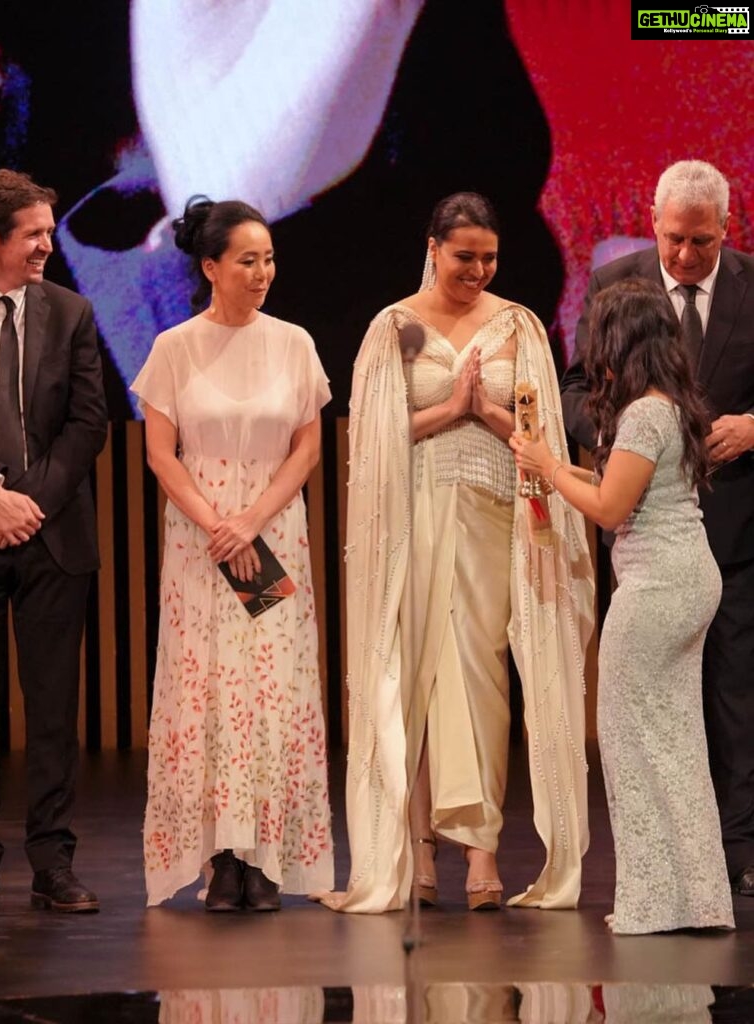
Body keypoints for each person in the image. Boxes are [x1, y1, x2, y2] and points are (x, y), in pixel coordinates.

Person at [316, 192, 594, 913]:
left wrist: (487, 412)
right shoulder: (397, 328)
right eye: (463, 255)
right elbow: (373, 436)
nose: (476, 268)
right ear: (433, 247)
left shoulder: (517, 327)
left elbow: (541, 434)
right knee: (414, 674)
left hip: (494, 516)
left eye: (488, 257)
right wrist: (448, 410)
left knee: (479, 678)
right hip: (413, 519)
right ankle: (415, 854)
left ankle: (482, 852)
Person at [513, 278, 735, 934]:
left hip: (657, 589)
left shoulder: (643, 414)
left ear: (617, 341)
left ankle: (652, 903)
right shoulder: (671, 406)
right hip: (686, 579)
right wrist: (550, 463)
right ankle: (693, 899)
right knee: (674, 741)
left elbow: (610, 509)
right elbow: (622, 488)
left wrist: (549, 467)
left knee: (632, 741)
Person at [132, 197, 334, 912]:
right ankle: (221, 856)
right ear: (211, 266)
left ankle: (266, 855)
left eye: (269, 259)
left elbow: (307, 444)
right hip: (200, 543)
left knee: (272, 688)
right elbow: (160, 452)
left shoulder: (294, 343)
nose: (262, 273)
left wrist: (250, 520)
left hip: (273, 535)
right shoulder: (174, 348)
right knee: (209, 689)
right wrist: (217, 523)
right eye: (247, 261)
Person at [561, 160, 754, 898]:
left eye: (700, 242)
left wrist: (750, 426)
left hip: (736, 529)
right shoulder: (621, 286)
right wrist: (626, 439)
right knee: (657, 709)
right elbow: (579, 387)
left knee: (735, 698)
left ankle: (736, 848)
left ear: (725, 230)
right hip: (646, 530)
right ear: (653, 220)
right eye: (674, 239)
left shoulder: (750, 285)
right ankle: (671, 852)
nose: (683, 256)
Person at [0, 169, 108, 916]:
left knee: (52, 709)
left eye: (48, 229)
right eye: (33, 233)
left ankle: (52, 861)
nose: (46, 244)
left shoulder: (70, 312)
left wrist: (27, 501)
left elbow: (88, 423)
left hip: (49, 533)